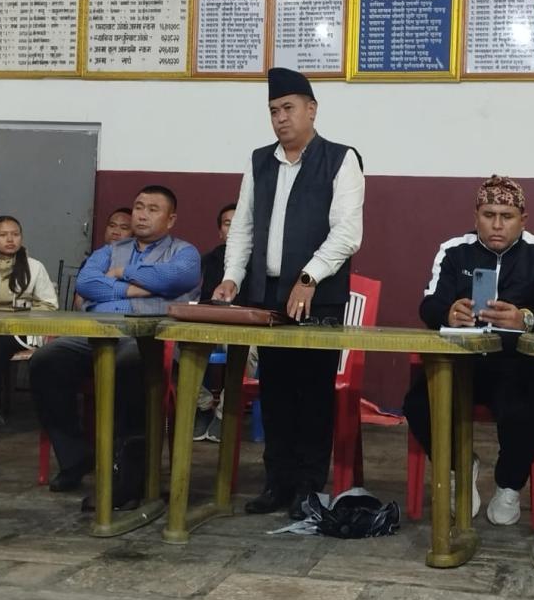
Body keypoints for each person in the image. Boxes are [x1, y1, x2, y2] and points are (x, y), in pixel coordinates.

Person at [214, 67, 365, 520]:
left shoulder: (341, 159)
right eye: (274, 111)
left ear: (311, 110)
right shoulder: (259, 161)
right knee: (275, 391)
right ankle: (276, 483)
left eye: (289, 108)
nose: (281, 118)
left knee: (313, 393)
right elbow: (243, 226)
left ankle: (307, 486)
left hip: (318, 295)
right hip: (268, 295)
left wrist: (309, 277)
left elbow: (347, 232)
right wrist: (232, 277)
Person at [403, 175, 534, 526]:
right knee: (418, 403)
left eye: (507, 216)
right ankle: (457, 468)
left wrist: (524, 318)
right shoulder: (454, 250)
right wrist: (448, 313)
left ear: (523, 220)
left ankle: (509, 485)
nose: (497, 224)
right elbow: (429, 305)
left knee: (531, 405)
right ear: (475, 215)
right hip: (461, 361)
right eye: (488, 214)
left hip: (514, 362)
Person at [30, 186, 200, 498]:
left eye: (153, 209)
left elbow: (176, 278)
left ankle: (128, 479)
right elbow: (87, 283)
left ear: (171, 219)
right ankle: (75, 457)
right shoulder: (108, 250)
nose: (142, 214)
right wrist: (137, 291)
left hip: (150, 339)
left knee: (130, 364)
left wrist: (122, 274)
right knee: (46, 360)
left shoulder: (184, 253)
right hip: (100, 332)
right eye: (139, 207)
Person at [0, 215, 58, 429]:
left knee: (2, 346)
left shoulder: (35, 267)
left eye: (15, 234)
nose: (10, 239)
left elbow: (50, 304)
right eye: (3, 235)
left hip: (23, 328)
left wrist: (23, 314)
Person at [194, 202, 249, 443]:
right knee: (174, 346)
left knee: (248, 352)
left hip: (243, 328)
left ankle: (223, 413)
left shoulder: (260, 263)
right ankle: (203, 405)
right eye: (228, 224)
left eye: (239, 224)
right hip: (209, 324)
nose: (233, 229)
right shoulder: (207, 261)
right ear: (220, 231)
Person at [72, 208, 133, 310]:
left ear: (134, 235)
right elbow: (78, 302)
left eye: (124, 228)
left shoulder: (137, 261)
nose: (115, 232)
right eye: (112, 226)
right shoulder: (91, 261)